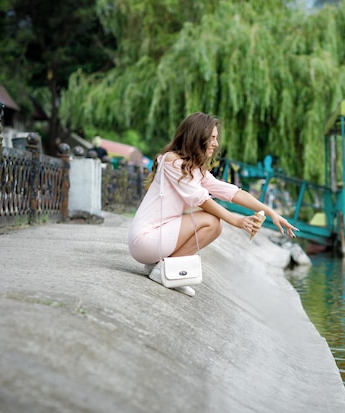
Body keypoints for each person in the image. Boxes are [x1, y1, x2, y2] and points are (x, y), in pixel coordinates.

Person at [128, 112, 298, 296]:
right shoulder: (172, 161)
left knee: (214, 224)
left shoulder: (193, 170)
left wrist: (270, 213)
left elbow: (231, 192)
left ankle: (160, 267)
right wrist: (236, 221)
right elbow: (200, 199)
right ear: (197, 137)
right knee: (211, 222)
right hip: (145, 239)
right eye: (213, 138)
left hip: (155, 239)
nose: (216, 144)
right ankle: (168, 270)